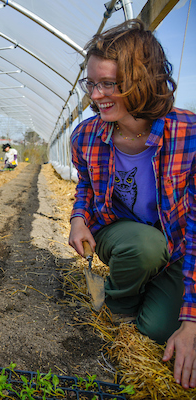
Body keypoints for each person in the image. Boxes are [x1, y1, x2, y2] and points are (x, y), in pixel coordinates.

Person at [67, 19, 196, 389]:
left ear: (143, 81)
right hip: (121, 234)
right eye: (91, 83)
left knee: (157, 331)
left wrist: (191, 324)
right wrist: (79, 219)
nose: (96, 95)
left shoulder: (187, 134)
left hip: (179, 249)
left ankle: (151, 286)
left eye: (109, 84)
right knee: (144, 246)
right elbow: (86, 188)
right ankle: (118, 304)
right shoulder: (87, 136)